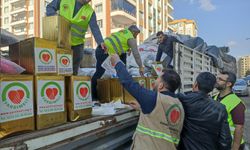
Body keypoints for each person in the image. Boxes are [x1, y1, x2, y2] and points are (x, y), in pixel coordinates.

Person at [110, 54, 184, 150]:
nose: (155, 81)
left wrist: (117, 62)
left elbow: (128, 83)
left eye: (157, 79)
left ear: (161, 86)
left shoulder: (153, 98)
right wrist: (142, 108)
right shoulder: (178, 104)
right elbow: (162, 120)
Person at [46, 0, 106, 75]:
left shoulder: (90, 12)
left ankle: (70, 86)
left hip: (77, 46)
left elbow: (95, 28)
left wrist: (101, 42)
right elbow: (50, 7)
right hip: (61, 42)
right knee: (58, 69)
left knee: (73, 72)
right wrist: (55, 17)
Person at [177, 72, 232, 150]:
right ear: (212, 88)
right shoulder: (220, 108)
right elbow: (225, 140)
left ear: (196, 84)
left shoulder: (182, 100)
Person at [91, 25, 144, 100]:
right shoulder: (130, 38)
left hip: (100, 49)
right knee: (100, 73)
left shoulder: (123, 32)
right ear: (132, 32)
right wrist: (141, 66)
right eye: (136, 34)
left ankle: (122, 93)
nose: (136, 36)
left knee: (121, 69)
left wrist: (127, 49)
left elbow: (119, 44)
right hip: (105, 52)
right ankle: (93, 96)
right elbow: (136, 54)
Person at [214, 71, 246, 150]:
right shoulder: (215, 98)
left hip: (232, 145)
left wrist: (235, 148)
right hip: (220, 143)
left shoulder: (236, 103)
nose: (216, 80)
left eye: (220, 79)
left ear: (229, 84)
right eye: (217, 78)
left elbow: (239, 128)